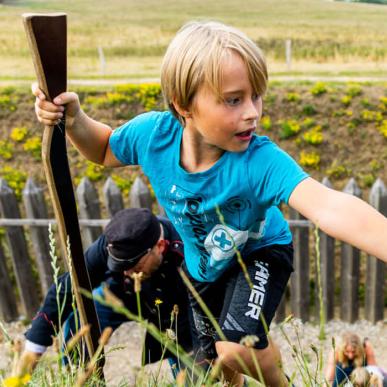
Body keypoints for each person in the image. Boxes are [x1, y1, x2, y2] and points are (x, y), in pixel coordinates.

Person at [32, 21, 387, 386]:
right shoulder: (154, 136)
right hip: (202, 270)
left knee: (235, 345)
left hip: (260, 252)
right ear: (183, 105)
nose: (252, 112)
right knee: (213, 364)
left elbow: (329, 206)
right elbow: (105, 148)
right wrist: (74, 121)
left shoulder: (260, 160)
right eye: (234, 100)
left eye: (256, 96)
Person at [21, 208, 193, 374]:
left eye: (135, 266)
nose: (127, 273)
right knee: (80, 323)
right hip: (119, 295)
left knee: (193, 373)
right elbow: (67, 288)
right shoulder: (115, 241)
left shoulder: (189, 250)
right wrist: (33, 347)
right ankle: (81, 376)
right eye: (121, 267)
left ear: (160, 246)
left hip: (175, 310)